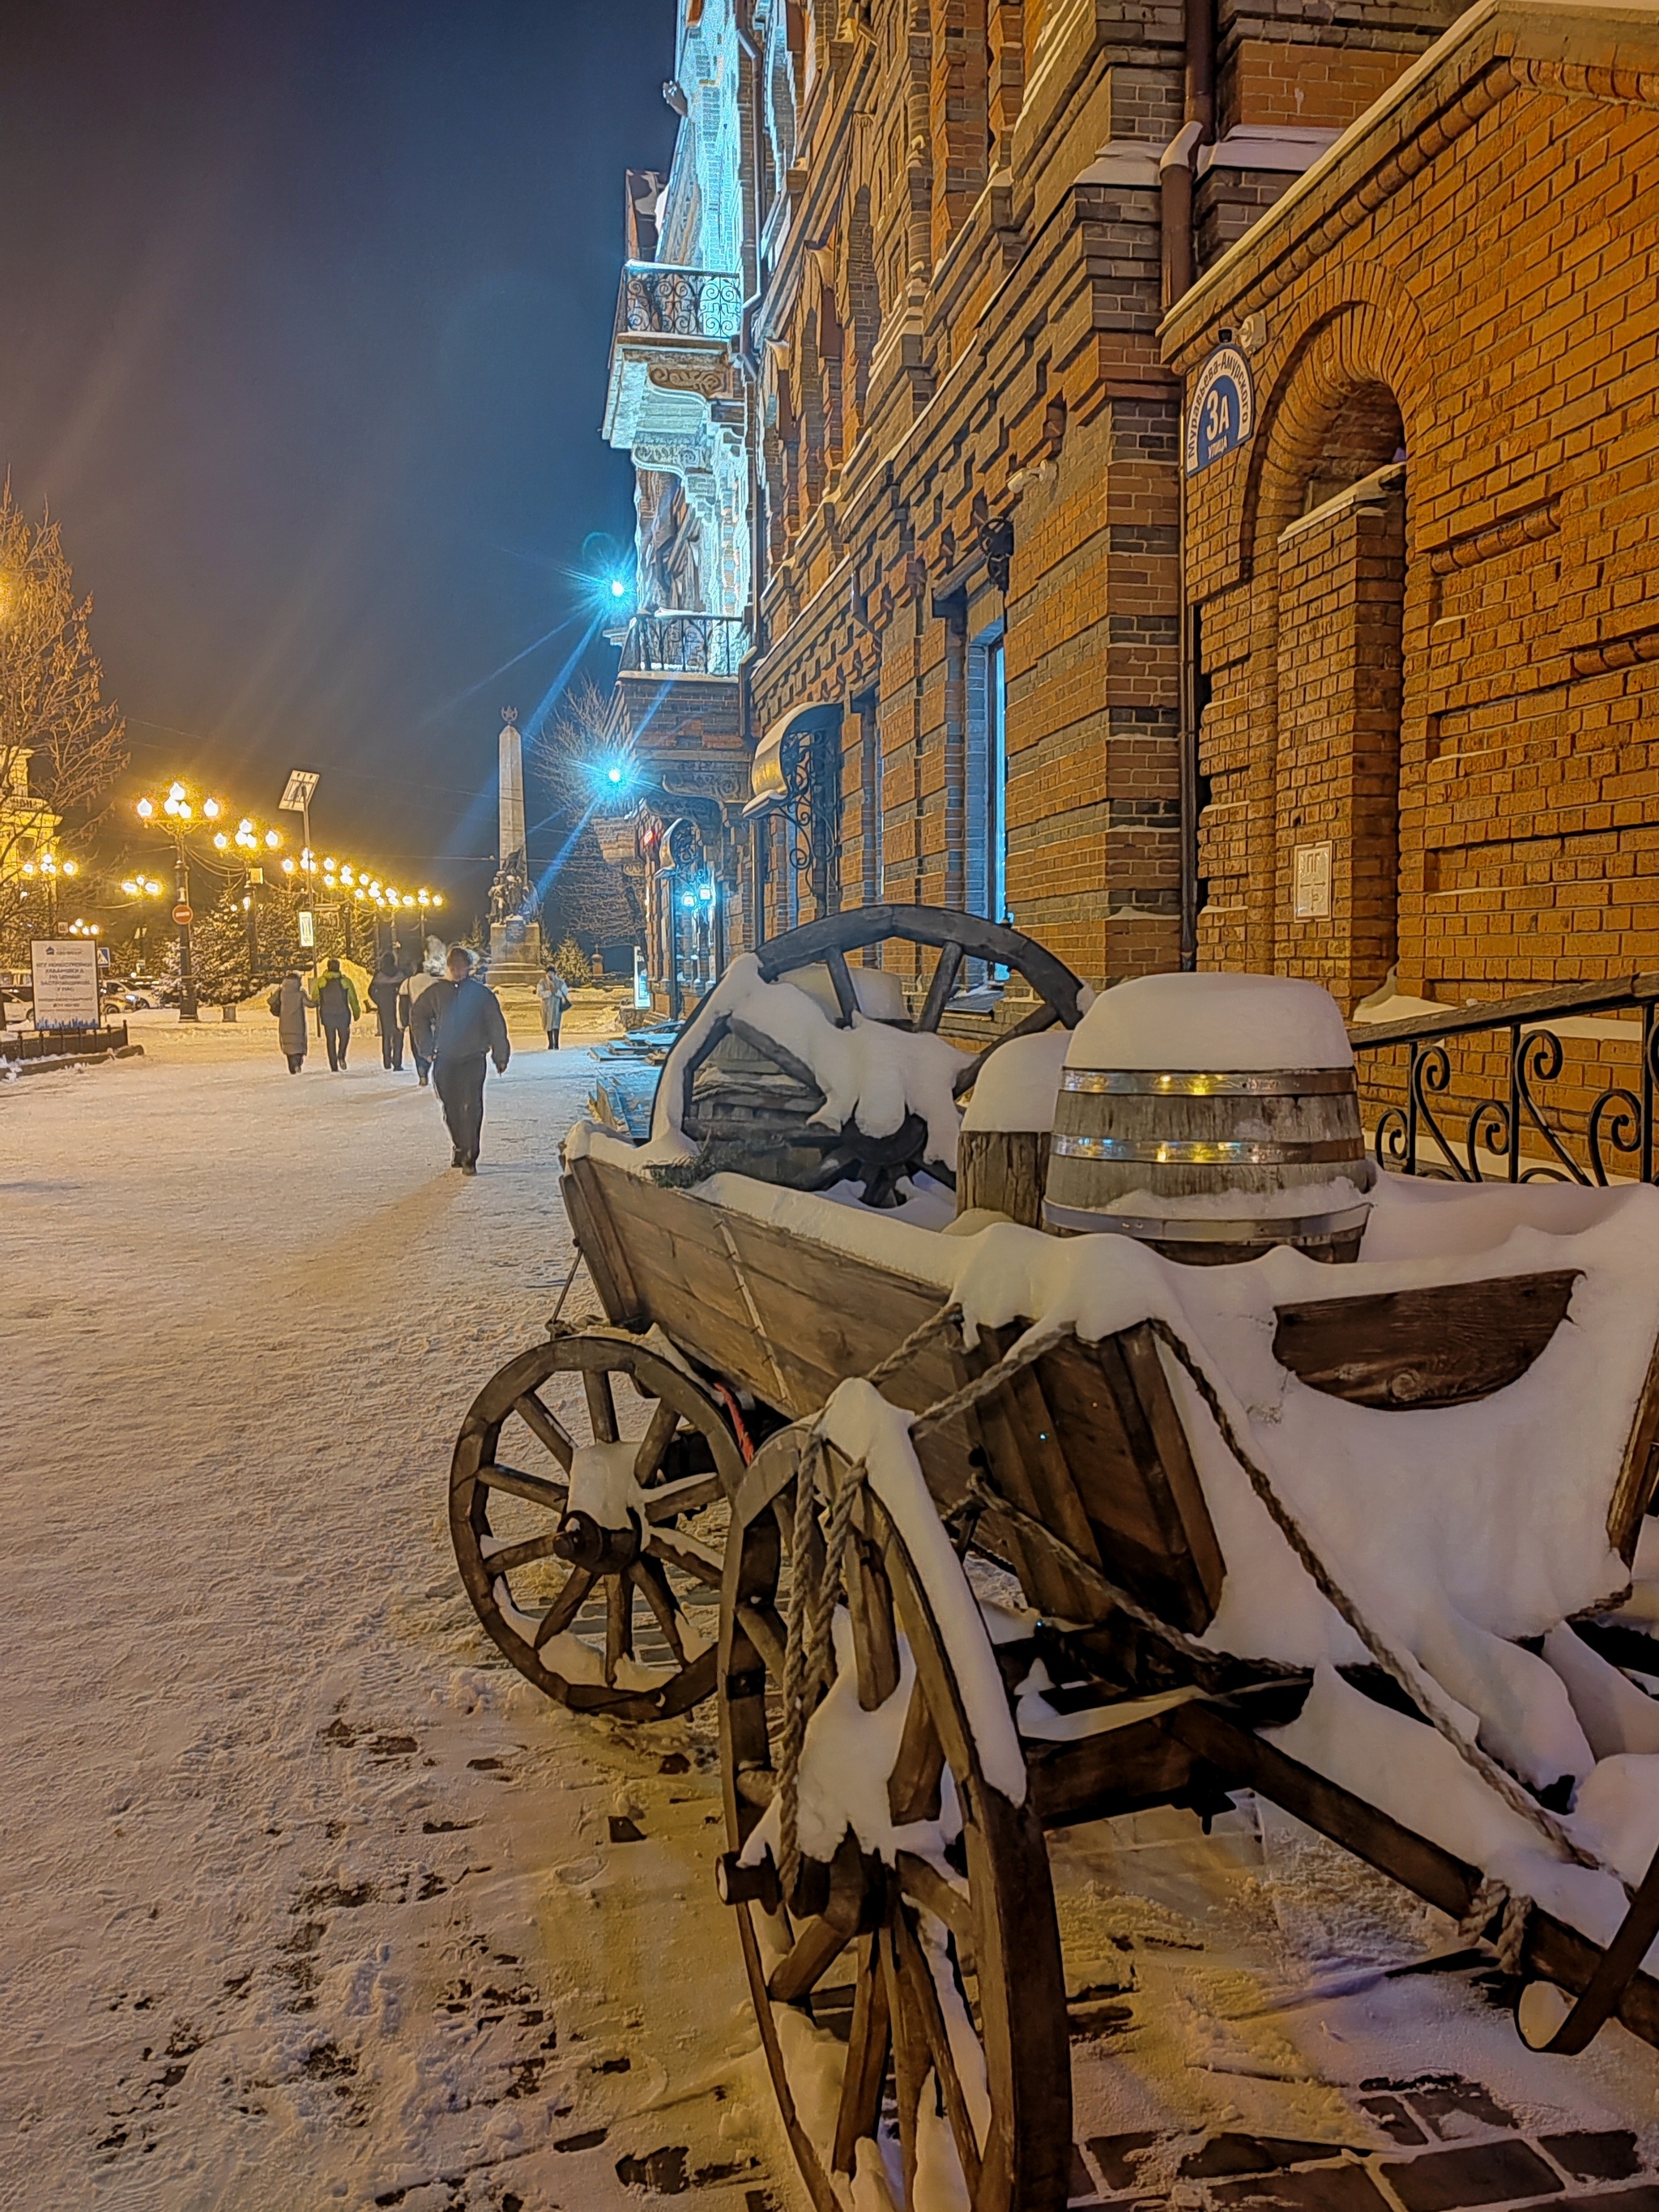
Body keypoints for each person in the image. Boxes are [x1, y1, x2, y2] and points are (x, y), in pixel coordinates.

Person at [411, 945, 510, 1174]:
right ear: (448, 968)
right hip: (445, 1057)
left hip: (473, 1057)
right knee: (451, 1106)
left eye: (462, 967)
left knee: (472, 1105)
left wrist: (500, 1054)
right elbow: (418, 1015)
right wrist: (425, 1047)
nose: (458, 972)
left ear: (469, 967)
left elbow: (495, 1024)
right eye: (454, 968)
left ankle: (470, 1155)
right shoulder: (436, 992)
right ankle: (459, 1145)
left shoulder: (480, 993)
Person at [314, 956, 360, 1072]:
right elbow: (353, 999)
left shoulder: (321, 981)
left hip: (327, 1014)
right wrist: (356, 1012)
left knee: (330, 1040)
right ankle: (341, 1055)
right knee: (344, 1036)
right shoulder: (345, 981)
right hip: (343, 1014)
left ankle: (333, 1067)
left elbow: (315, 997)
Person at [400, 962, 441, 1086]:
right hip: (433, 1018)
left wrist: (403, 1022)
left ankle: (422, 1072)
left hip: (416, 1019)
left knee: (417, 1045)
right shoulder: (435, 982)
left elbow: (403, 1004)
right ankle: (431, 1066)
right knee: (433, 1044)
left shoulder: (407, 983)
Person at [268, 970, 312, 1074]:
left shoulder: (281, 992)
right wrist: (318, 1000)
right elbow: (310, 1004)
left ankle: (292, 1067)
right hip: (298, 1025)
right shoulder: (300, 994)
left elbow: (270, 1001)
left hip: (285, 1024)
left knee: (289, 1048)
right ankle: (298, 1063)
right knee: (298, 1046)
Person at [368, 953, 405, 1071]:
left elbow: (371, 990)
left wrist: (378, 1001)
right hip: (398, 1007)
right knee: (398, 1033)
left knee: (386, 1034)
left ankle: (387, 1061)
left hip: (384, 1008)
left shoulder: (379, 975)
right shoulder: (400, 974)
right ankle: (397, 1062)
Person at [536, 964, 571, 1051]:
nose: (550, 974)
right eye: (549, 972)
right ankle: (550, 1043)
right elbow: (539, 993)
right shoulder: (542, 982)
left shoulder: (560, 982)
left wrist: (556, 992)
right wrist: (549, 992)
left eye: (552, 972)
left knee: (556, 1024)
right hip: (547, 1006)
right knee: (548, 1024)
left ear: (554, 973)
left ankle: (556, 1043)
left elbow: (565, 992)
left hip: (556, 1006)